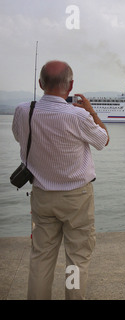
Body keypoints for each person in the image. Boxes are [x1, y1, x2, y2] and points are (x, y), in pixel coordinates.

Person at [12, 60, 109, 299]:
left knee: (41, 257)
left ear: (40, 83)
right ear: (71, 85)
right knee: (77, 257)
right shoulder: (78, 115)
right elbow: (103, 140)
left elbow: (19, 137)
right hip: (77, 198)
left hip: (42, 195)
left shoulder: (24, 110)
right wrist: (91, 112)